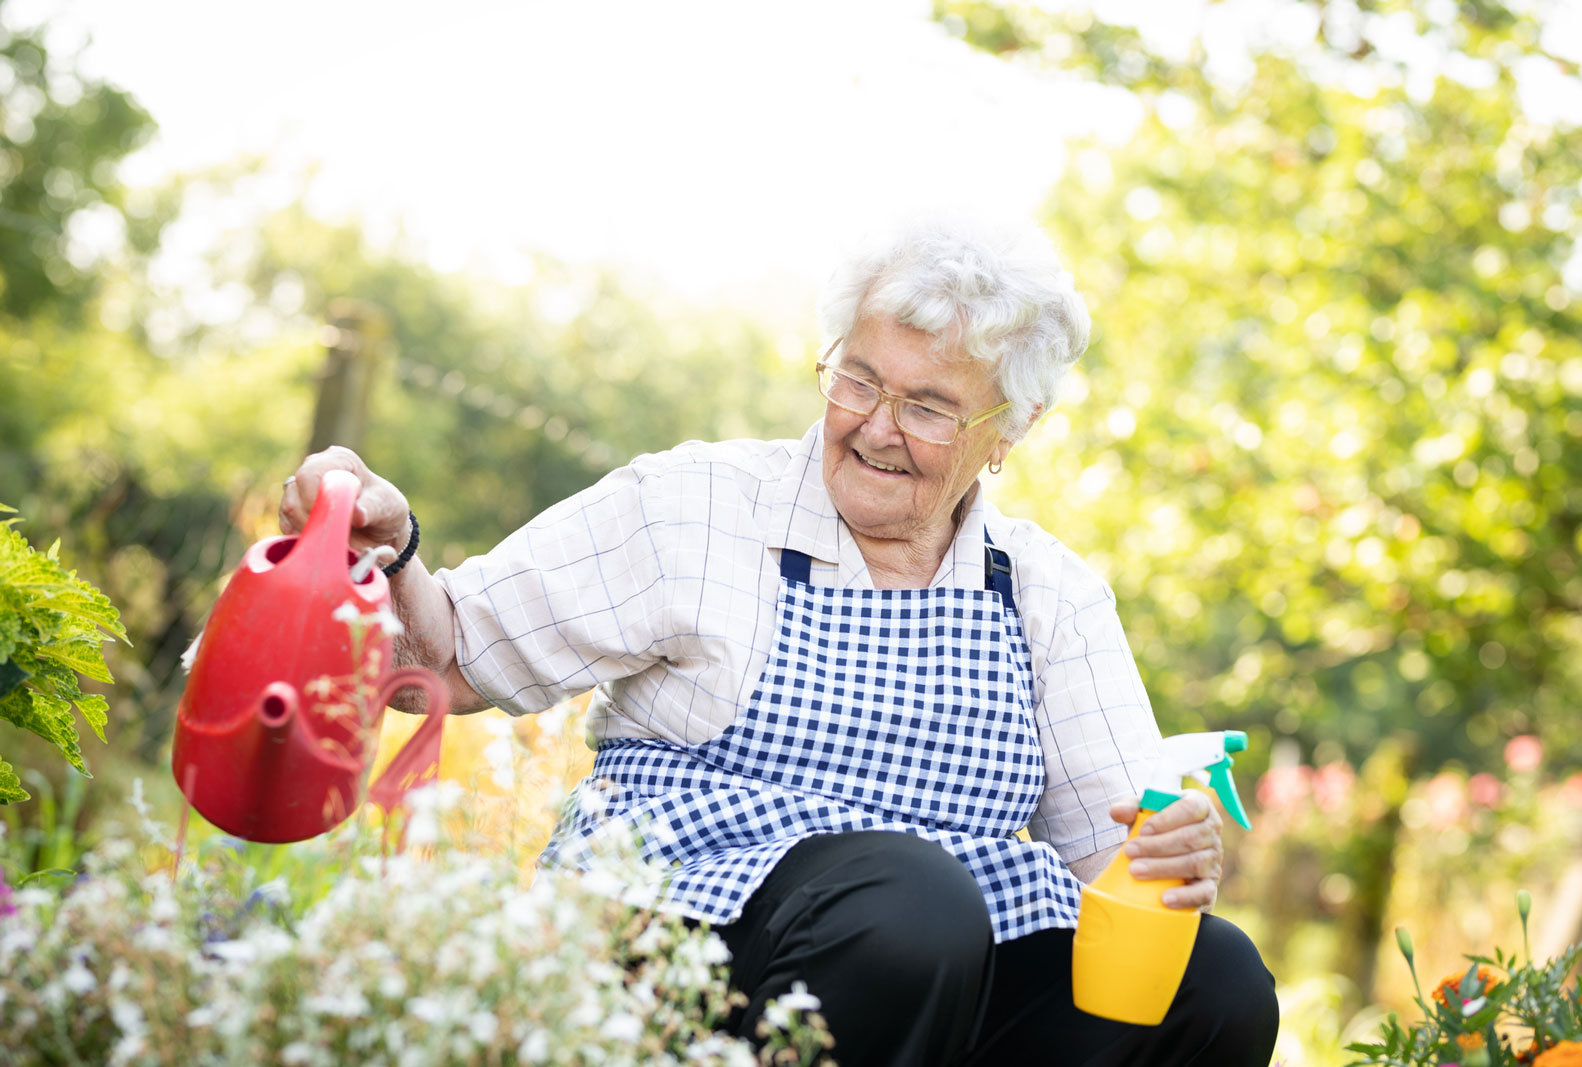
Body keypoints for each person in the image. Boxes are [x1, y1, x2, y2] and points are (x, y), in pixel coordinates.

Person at [280, 217, 1279, 1066]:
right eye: (859, 379)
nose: (876, 427)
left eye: (928, 405)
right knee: (913, 907)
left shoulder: (1046, 591)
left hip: (938, 959)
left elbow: (1115, 856)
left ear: (1008, 427)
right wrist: (392, 546)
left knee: (1218, 980)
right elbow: (452, 657)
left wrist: (1167, 846)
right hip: (681, 936)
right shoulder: (697, 504)